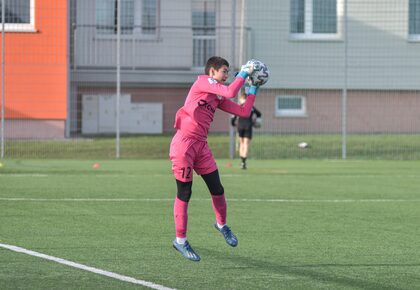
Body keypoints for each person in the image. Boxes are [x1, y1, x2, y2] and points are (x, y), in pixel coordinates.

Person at [169, 56, 260, 262]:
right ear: (212, 72)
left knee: (217, 188)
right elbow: (230, 91)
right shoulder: (203, 82)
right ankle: (180, 241)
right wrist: (245, 72)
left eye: (229, 72)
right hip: (184, 145)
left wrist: (253, 88)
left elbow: (244, 111)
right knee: (185, 192)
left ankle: (221, 225)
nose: (227, 75)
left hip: (201, 145)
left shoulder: (216, 96)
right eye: (224, 71)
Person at [231, 91, 262, 169]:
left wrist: (233, 124)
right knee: (246, 144)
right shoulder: (251, 107)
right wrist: (255, 121)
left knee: (241, 144)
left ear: (241, 99)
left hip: (240, 126)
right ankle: (243, 162)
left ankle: (242, 161)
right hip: (248, 126)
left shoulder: (239, 106)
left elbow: (233, 117)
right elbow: (259, 114)